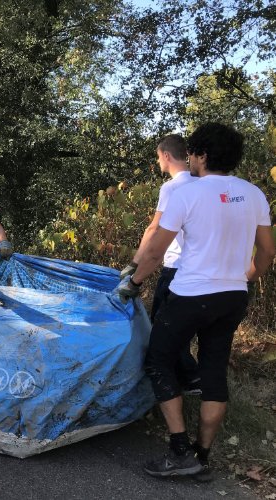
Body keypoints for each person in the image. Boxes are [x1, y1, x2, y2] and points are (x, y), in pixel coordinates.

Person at [117, 123, 275, 479]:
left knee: (158, 360)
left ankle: (179, 450)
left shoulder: (186, 194)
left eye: (192, 153)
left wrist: (136, 281)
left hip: (191, 294)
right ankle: (202, 458)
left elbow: (156, 248)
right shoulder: (254, 194)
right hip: (233, 297)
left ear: (202, 155)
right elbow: (268, 251)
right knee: (213, 373)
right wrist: (245, 279)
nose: (189, 159)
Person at [119, 134, 200, 394]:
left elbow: (155, 229)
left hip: (175, 266)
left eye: (158, 157)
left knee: (162, 326)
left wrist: (135, 264)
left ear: (166, 155)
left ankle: (182, 380)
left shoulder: (172, 188)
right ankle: (189, 377)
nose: (158, 162)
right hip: (199, 268)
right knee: (182, 326)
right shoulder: (202, 182)